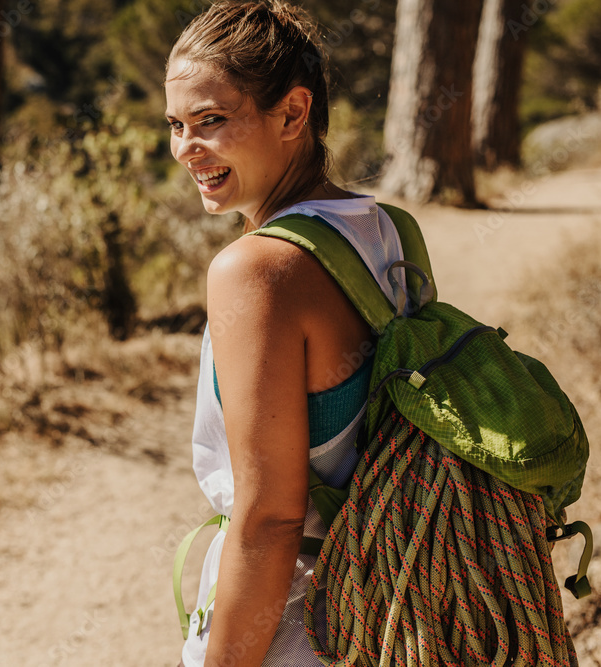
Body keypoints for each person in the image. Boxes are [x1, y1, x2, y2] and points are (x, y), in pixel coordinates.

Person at [164, 2, 409, 665]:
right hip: (389, 603)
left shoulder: (255, 270)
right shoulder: (379, 227)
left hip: (299, 625)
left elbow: (270, 518)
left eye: (211, 120)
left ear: (293, 114)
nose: (187, 148)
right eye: (176, 125)